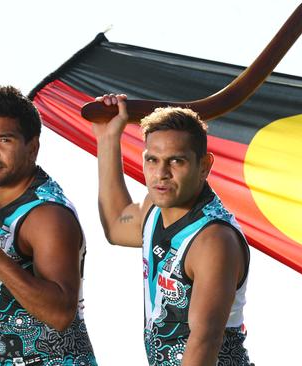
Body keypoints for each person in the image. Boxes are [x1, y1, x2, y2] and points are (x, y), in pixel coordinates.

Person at [92, 94, 252, 366]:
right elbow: (117, 226)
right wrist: (107, 139)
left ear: (204, 166)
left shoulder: (213, 240)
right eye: (152, 160)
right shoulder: (153, 209)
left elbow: (204, 342)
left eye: (176, 161)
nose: (161, 173)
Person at [0, 86, 97, 366]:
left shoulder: (47, 215)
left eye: (4, 140)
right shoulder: (10, 198)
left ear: (32, 148)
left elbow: (61, 313)